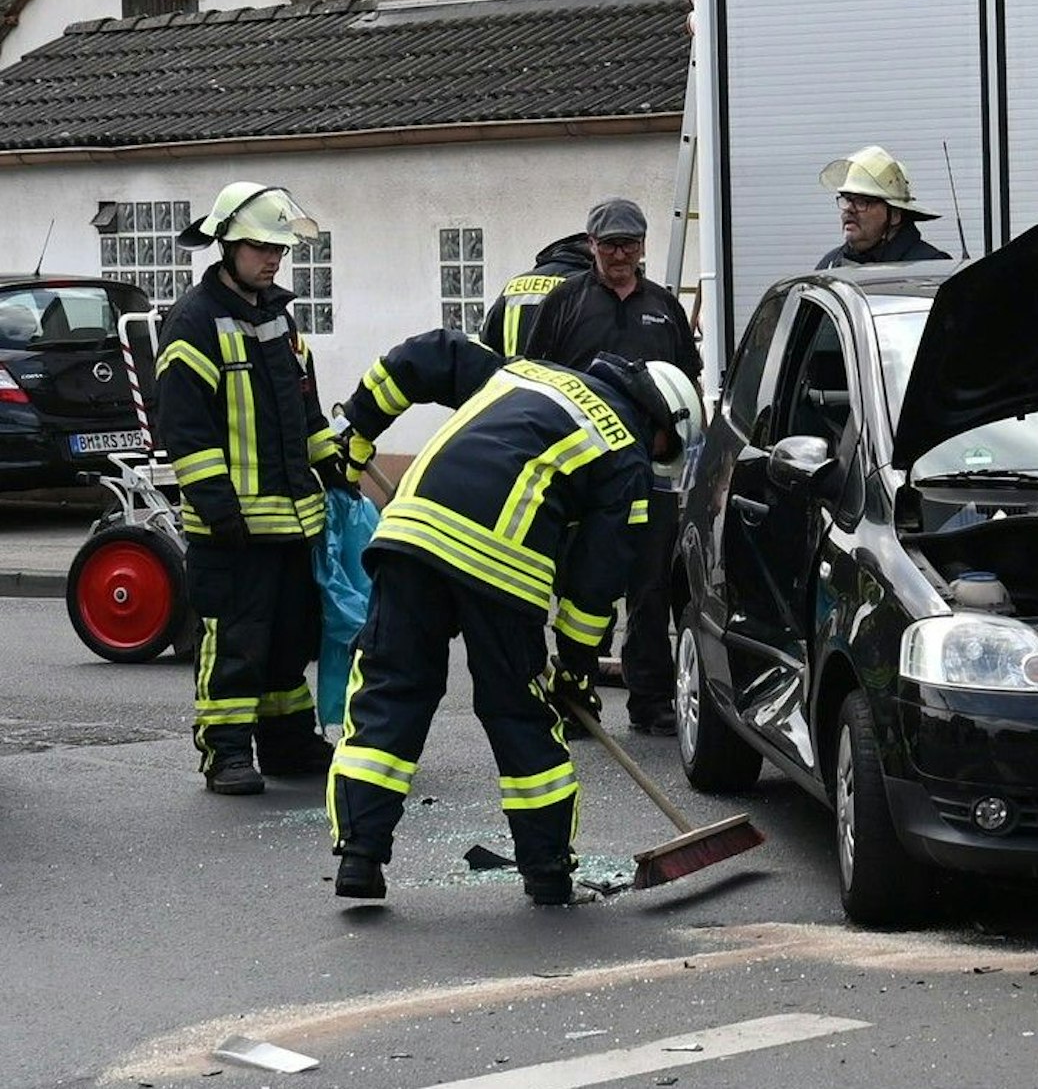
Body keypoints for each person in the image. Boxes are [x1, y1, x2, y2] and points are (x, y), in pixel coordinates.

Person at [325, 329, 702, 904]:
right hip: (499, 568)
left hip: (410, 535)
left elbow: (424, 356)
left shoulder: (523, 372)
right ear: (660, 423)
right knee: (519, 712)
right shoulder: (623, 450)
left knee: (391, 693)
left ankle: (359, 854)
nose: (654, 459)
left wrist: (356, 428)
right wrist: (575, 670)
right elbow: (594, 582)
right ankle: (547, 870)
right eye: (663, 450)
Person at [156, 182, 351, 795]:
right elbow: (186, 430)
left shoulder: (279, 316)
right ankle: (226, 753)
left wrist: (333, 464)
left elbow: (304, 412)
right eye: (261, 248)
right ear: (227, 246)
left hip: (292, 519)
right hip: (232, 522)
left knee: (289, 639)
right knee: (233, 639)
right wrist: (216, 507)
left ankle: (288, 742)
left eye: (279, 250)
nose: (272, 259)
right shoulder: (193, 323)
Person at [525, 197, 701, 735]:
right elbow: (536, 377)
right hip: (584, 471)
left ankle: (650, 701)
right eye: (609, 244)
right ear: (591, 245)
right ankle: (576, 700)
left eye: (629, 243)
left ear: (644, 246)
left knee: (651, 587)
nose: (620, 254)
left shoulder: (664, 306)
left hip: (650, 473)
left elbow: (687, 380)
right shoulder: (564, 303)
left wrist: (672, 435)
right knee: (584, 587)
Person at [815, 145, 954, 269]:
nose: (849, 209)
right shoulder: (830, 265)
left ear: (894, 215)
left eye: (862, 201)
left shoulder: (930, 267)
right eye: (847, 199)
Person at [481, 232, 593, 358]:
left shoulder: (515, 285)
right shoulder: (588, 287)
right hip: (570, 377)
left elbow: (487, 348)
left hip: (515, 375)